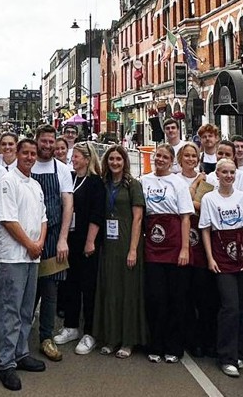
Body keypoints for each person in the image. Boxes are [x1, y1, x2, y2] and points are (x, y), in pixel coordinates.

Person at [0, 138, 48, 391]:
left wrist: (39, 244)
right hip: (12, 257)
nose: (29, 157)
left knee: (26, 310)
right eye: (24, 152)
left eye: (32, 153)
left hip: (31, 256)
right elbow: (7, 219)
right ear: (16, 153)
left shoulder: (36, 185)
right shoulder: (7, 181)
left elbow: (44, 218)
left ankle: (21, 353)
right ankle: (6, 364)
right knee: (10, 311)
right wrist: (30, 244)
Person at [199, 159, 243, 378]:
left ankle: (240, 351)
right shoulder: (209, 198)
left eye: (232, 172)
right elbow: (206, 230)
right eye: (224, 172)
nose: (228, 176)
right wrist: (210, 257)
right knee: (230, 306)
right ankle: (226, 356)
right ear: (217, 174)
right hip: (221, 255)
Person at [93, 144, 148, 359]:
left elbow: (138, 218)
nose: (115, 163)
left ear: (125, 162)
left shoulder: (133, 185)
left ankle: (128, 340)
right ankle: (111, 337)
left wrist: (133, 249)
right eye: (111, 159)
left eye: (119, 159)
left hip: (127, 242)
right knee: (110, 290)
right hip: (108, 243)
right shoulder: (104, 184)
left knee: (128, 292)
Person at [141, 145, 194, 364]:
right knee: (156, 297)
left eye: (165, 157)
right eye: (158, 156)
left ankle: (174, 346)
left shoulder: (178, 183)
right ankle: (156, 343)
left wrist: (184, 249)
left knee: (176, 298)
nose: (160, 160)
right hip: (153, 243)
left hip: (174, 244)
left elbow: (185, 218)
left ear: (172, 160)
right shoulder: (144, 181)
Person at [29, 126, 74, 362]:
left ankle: (46, 337)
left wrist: (63, 238)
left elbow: (67, 204)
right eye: (43, 141)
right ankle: (21, 334)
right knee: (26, 290)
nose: (46, 145)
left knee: (50, 291)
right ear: (36, 142)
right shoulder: (26, 164)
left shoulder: (63, 169)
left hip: (54, 236)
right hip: (26, 237)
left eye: (50, 142)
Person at [55, 143, 104, 355]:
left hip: (87, 239)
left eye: (76, 156)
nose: (72, 159)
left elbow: (97, 214)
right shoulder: (71, 178)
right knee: (70, 283)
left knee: (88, 286)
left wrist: (91, 241)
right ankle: (71, 326)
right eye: (71, 156)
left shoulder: (95, 183)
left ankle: (90, 331)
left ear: (87, 158)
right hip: (71, 239)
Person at [179, 142, 218, 358]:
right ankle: (190, 339)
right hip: (182, 240)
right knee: (185, 296)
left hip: (202, 239)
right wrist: (193, 188)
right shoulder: (177, 179)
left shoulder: (208, 179)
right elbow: (181, 204)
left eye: (194, 155)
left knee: (204, 296)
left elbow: (208, 206)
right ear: (180, 158)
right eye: (187, 155)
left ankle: (206, 340)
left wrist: (192, 200)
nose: (191, 159)